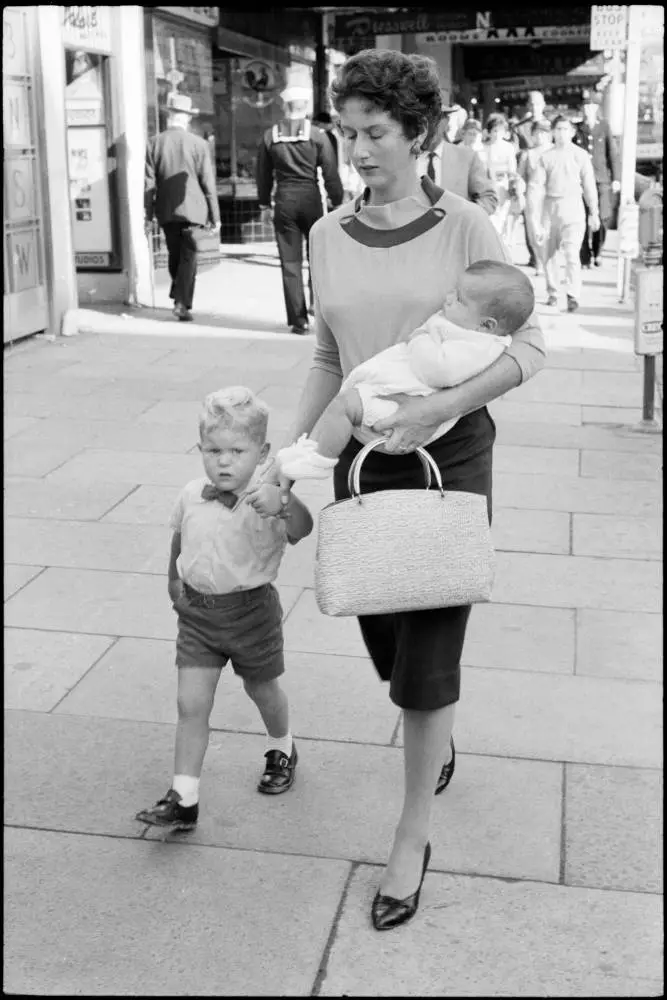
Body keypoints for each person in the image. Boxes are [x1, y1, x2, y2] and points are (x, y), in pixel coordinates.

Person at [247, 48, 546, 932]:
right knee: (382, 629)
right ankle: (430, 718)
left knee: (427, 650)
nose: (358, 151)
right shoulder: (329, 233)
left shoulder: (467, 228)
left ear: (417, 133)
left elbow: (527, 348)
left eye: (374, 133)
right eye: (347, 133)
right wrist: (291, 454)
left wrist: (441, 407)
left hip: (447, 458)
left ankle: (411, 830)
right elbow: (328, 358)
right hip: (358, 456)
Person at [135, 387, 313, 831]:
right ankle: (184, 796)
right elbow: (180, 536)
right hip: (197, 616)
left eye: (237, 450)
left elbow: (303, 529)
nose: (224, 461)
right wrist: (173, 579)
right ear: (200, 450)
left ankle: (282, 745)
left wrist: (285, 503)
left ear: (263, 452)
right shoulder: (192, 493)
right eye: (213, 450)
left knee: (262, 691)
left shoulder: (270, 498)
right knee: (190, 702)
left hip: (251, 614)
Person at [276, 260, 535, 479]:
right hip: (398, 404)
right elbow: (327, 358)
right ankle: (310, 450)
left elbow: (438, 371)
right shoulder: (469, 330)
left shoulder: (480, 344)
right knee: (342, 407)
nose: (447, 298)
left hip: (407, 408)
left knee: (345, 407)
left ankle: (320, 459)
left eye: (458, 299)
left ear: (487, 324)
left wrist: (419, 338)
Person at [256, 85, 344, 333]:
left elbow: (262, 174)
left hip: (283, 200)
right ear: (305, 107)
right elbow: (330, 172)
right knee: (316, 258)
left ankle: (298, 320)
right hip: (311, 199)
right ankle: (316, 306)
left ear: (285, 106)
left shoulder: (270, 135)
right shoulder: (317, 135)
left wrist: (264, 204)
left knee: (290, 262)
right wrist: (336, 201)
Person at [144, 93, 220, 322]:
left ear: (169, 115)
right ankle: (181, 301)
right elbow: (208, 182)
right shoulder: (199, 144)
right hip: (194, 209)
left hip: (166, 209)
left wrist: (147, 215)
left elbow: (148, 183)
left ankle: (178, 294)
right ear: (186, 118)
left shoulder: (153, 143)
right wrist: (215, 215)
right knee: (189, 256)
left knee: (175, 253)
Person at [531, 115, 600, 313]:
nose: (561, 133)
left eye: (565, 129)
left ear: (572, 132)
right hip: (550, 208)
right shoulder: (545, 157)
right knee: (549, 254)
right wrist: (535, 218)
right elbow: (536, 186)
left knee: (572, 254)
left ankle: (573, 294)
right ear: (552, 132)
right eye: (558, 129)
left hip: (573, 207)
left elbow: (589, 186)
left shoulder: (581, 155)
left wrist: (593, 211)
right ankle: (553, 292)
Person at [417, 109, 497, 216]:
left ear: (446, 122)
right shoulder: (403, 157)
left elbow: (488, 199)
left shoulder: (466, 157)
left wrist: (464, 220)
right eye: (424, 120)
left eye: (434, 119)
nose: (429, 126)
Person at [574, 90, 621, 268]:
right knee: (582, 219)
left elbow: (613, 154)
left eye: (591, 105)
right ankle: (584, 255)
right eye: (585, 105)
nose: (588, 109)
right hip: (581, 181)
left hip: (601, 179)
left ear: (596, 107)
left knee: (603, 217)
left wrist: (616, 177)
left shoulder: (604, 127)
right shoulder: (577, 129)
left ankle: (598, 249)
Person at [478, 112, 522, 253]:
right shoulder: (482, 149)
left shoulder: (509, 148)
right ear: (489, 132)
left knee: (501, 219)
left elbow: (512, 170)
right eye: (495, 130)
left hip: (502, 188)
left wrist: (514, 186)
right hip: (485, 189)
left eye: (500, 131)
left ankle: (499, 249)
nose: (497, 134)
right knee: (488, 220)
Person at [518, 119, 553, 275]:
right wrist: (520, 194)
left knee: (550, 229)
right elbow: (520, 176)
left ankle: (549, 261)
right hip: (533, 193)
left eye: (543, 132)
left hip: (552, 194)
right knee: (534, 228)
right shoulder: (528, 154)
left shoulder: (555, 152)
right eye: (537, 132)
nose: (540, 136)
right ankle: (539, 260)